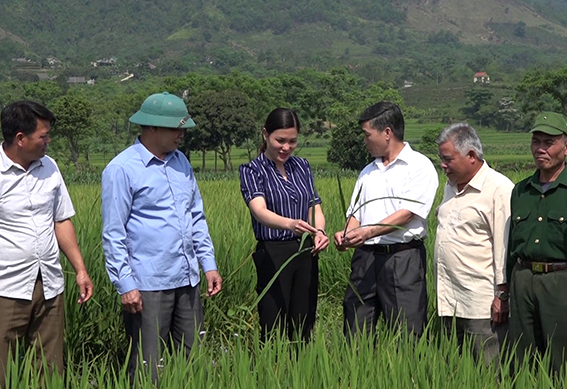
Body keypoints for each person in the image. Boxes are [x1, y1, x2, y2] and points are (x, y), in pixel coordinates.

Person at [101, 92, 222, 380]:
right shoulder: (121, 169)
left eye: (183, 129)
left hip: (188, 278)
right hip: (148, 284)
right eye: (175, 129)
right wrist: (126, 285)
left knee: (193, 362)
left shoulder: (181, 162)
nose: (181, 135)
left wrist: (209, 264)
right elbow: (113, 233)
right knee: (148, 366)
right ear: (152, 128)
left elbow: (196, 217)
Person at [0, 101, 93, 385]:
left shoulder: (49, 167)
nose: (48, 141)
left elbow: (61, 220)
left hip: (50, 285)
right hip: (7, 288)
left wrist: (80, 269)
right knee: (4, 372)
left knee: (50, 371)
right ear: (20, 138)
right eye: (43, 136)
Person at [334, 101, 439, 340]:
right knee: (355, 327)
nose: (365, 141)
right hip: (365, 259)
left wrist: (368, 232)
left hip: (402, 258)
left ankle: (405, 377)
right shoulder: (368, 172)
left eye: (367, 134)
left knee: (406, 332)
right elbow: (355, 214)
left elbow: (408, 213)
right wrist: (347, 235)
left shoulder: (419, 167)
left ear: (387, 133)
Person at [507, 112, 567, 374]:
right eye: (536, 142)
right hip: (522, 280)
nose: (540, 149)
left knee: (564, 363)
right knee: (521, 362)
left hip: (562, 284)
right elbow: (511, 248)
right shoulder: (521, 191)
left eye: (549, 142)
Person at [239, 108, 329, 342]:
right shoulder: (252, 170)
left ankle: (302, 371)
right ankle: (274, 370)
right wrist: (289, 224)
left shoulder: (302, 167)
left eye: (292, 141)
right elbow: (259, 210)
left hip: (305, 250)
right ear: (265, 134)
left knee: (303, 323)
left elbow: (314, 207)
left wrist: (319, 232)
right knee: (273, 323)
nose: (286, 148)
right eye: (280, 140)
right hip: (273, 252)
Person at [434, 123, 513, 363]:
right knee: (457, 371)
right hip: (449, 300)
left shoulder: (499, 189)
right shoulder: (450, 187)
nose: (443, 165)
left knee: (488, 372)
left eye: (448, 159)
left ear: (471, 156)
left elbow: (504, 247)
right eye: (440, 159)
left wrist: (502, 295)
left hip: (481, 304)